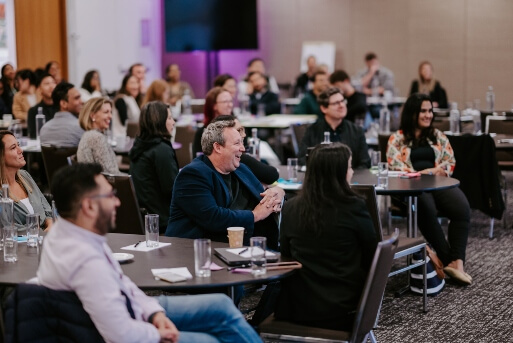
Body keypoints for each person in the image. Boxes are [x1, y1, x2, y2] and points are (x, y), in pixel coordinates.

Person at [37, 163, 262, 343]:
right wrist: (157, 333)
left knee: (220, 306)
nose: (117, 202)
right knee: (210, 339)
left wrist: (154, 313)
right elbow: (120, 334)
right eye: (109, 196)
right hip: (119, 326)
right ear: (88, 206)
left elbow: (122, 284)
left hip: (129, 308)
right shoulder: (83, 259)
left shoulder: (77, 232)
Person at [275, 142, 377, 331]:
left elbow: (286, 256)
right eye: (349, 166)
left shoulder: (290, 208)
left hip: (299, 307)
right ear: (338, 173)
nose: (352, 172)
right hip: (345, 308)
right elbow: (373, 256)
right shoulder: (354, 207)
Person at [387, 93, 471, 284]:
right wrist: (430, 171)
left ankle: (458, 262)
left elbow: (449, 162)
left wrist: (431, 172)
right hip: (411, 188)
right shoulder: (396, 139)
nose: (428, 115)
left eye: (430, 111)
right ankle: (449, 259)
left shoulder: (437, 136)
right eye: (423, 111)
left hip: (438, 184)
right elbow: (397, 168)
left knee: (461, 207)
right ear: (412, 113)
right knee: (426, 207)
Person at [166, 120, 284, 250]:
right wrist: (255, 215)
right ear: (218, 147)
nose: (243, 149)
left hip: (246, 245)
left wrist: (275, 193)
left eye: (242, 142)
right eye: (237, 143)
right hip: (199, 251)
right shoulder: (193, 174)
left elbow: (264, 194)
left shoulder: (241, 169)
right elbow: (213, 218)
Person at [129, 101, 179, 233]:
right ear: (159, 121)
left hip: (145, 216)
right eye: (169, 118)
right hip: (162, 219)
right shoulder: (161, 149)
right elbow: (172, 188)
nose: (173, 122)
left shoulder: (140, 145)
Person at [299, 87, 370, 168]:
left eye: (343, 101)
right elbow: (303, 160)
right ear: (324, 108)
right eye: (336, 103)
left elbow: (365, 162)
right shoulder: (312, 130)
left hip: (350, 178)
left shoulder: (357, 131)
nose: (342, 105)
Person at [0, 130, 53, 230]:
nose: (20, 150)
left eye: (18, 145)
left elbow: (47, 209)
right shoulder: (2, 194)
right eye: (13, 148)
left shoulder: (25, 176)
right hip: (22, 243)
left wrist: (50, 225)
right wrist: (42, 233)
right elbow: (9, 229)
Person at [212, 115, 279, 185]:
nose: (244, 135)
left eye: (243, 129)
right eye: (238, 131)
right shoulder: (238, 158)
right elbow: (272, 175)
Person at [77, 98, 120, 174]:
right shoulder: (96, 138)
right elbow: (110, 173)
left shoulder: (89, 135)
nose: (110, 116)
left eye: (111, 112)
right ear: (93, 116)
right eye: (106, 112)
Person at [192, 87, 233, 158]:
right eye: (225, 102)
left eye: (230, 101)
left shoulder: (235, 128)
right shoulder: (202, 133)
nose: (230, 105)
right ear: (214, 106)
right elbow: (198, 159)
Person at [40, 82, 84, 147]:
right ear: (63, 104)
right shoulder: (81, 127)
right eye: (77, 98)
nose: (82, 101)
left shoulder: (44, 129)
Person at [27, 73, 57, 139]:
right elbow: (33, 135)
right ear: (39, 89)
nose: (51, 86)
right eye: (47, 84)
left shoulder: (63, 108)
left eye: (53, 83)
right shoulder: (33, 111)